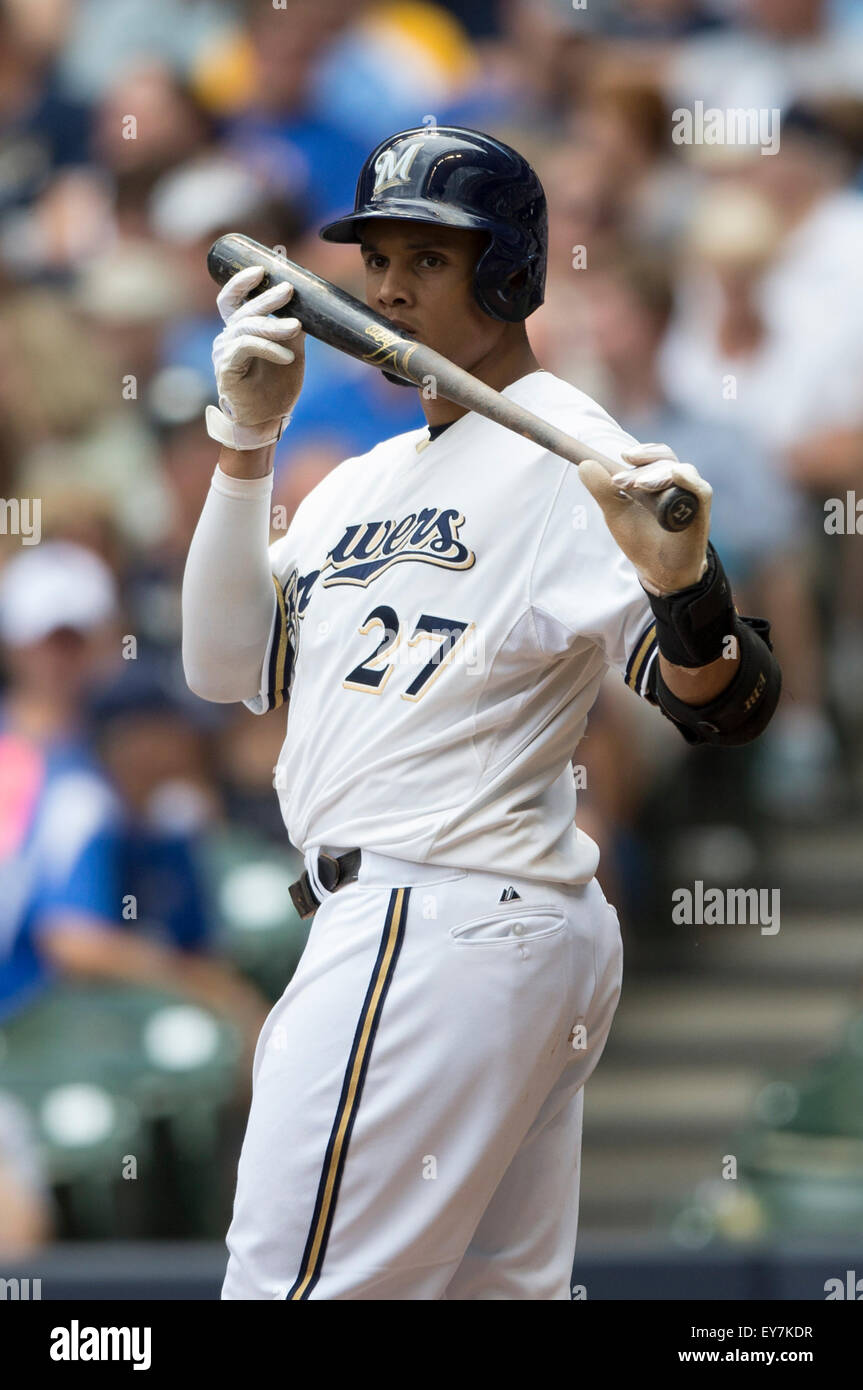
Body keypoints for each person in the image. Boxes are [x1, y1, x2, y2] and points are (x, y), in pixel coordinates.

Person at [182, 126, 781, 1301]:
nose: (390, 285)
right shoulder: (359, 477)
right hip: (463, 927)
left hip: (433, 912)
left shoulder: (569, 450)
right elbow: (220, 666)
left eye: (430, 258)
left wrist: (683, 587)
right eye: (377, 258)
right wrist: (244, 443)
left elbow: (729, 705)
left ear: (508, 272)